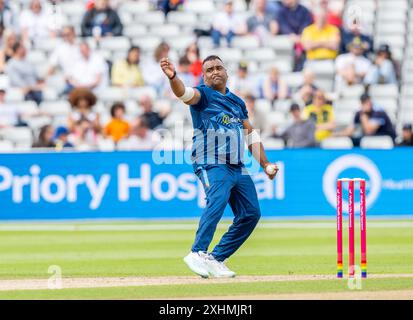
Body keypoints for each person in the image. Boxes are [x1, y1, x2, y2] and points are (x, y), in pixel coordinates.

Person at [160, 55, 279, 278]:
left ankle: (216, 258)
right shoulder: (203, 94)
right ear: (204, 76)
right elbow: (183, 93)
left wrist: (264, 164)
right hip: (210, 160)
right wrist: (173, 77)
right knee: (218, 197)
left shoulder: (237, 102)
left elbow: (250, 133)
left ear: (226, 72)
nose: (215, 72)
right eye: (209, 70)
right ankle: (197, 252)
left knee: (251, 213)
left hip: (236, 164)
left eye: (218, 68)